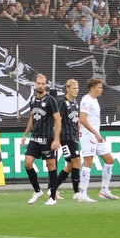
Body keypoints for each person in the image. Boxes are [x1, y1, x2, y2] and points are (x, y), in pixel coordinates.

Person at [21, 73, 61, 205]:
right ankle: (37, 191)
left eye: (43, 84)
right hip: (35, 138)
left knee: (50, 166)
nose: (40, 85)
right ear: (35, 84)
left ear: (46, 85)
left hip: (48, 138)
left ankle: (53, 197)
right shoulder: (33, 100)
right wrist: (25, 135)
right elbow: (32, 118)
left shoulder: (50, 100)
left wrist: (56, 139)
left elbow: (58, 119)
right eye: (38, 83)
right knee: (27, 163)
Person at [78, 77, 119, 202]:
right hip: (88, 135)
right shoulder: (86, 100)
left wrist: (97, 134)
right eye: (99, 87)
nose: (101, 90)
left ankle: (104, 190)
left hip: (96, 136)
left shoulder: (95, 100)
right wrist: (95, 133)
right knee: (88, 163)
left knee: (109, 160)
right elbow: (82, 119)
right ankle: (83, 194)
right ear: (92, 88)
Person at [55, 78, 83, 199]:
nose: (76, 91)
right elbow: (58, 119)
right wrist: (56, 137)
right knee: (77, 160)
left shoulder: (75, 103)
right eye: (73, 88)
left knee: (70, 166)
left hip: (74, 136)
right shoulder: (62, 102)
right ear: (67, 89)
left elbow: (78, 120)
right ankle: (77, 192)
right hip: (66, 137)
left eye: (77, 88)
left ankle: (53, 189)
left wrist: (80, 132)